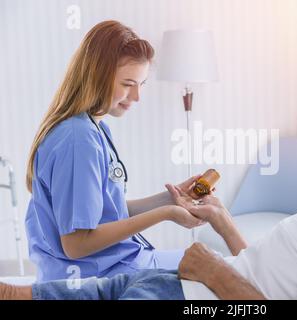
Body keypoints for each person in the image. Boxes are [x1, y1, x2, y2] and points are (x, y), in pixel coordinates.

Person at [3, 92, 297, 300]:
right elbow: (267, 271)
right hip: (193, 283)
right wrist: (222, 222)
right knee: (103, 289)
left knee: (116, 292)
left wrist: (212, 270)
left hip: (202, 296)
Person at [24, 20, 207, 282]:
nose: (136, 97)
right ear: (96, 75)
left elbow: (107, 211)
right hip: (96, 277)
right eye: (127, 84)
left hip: (115, 263)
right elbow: (76, 244)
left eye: (142, 84)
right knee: (213, 270)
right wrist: (165, 214)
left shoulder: (95, 129)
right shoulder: (79, 141)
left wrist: (170, 199)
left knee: (208, 260)